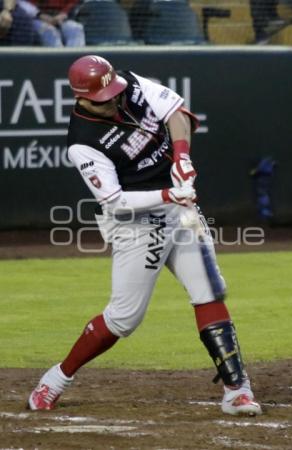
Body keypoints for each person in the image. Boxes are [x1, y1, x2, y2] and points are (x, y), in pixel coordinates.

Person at [27, 55, 262, 416]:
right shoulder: (82, 142)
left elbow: (177, 114)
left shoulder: (130, 85)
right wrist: (170, 194)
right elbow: (115, 201)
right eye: (104, 97)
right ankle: (56, 379)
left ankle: (237, 390)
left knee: (208, 291)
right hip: (135, 222)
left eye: (114, 91)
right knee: (124, 318)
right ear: (82, 98)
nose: (115, 100)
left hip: (177, 207)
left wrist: (181, 157)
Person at [19, 0, 85, 47]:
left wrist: (64, 13)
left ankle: (75, 62)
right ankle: (58, 63)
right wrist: (39, 14)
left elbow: (75, 2)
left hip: (63, 18)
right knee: (49, 31)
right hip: (37, 18)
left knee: (75, 29)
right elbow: (21, 2)